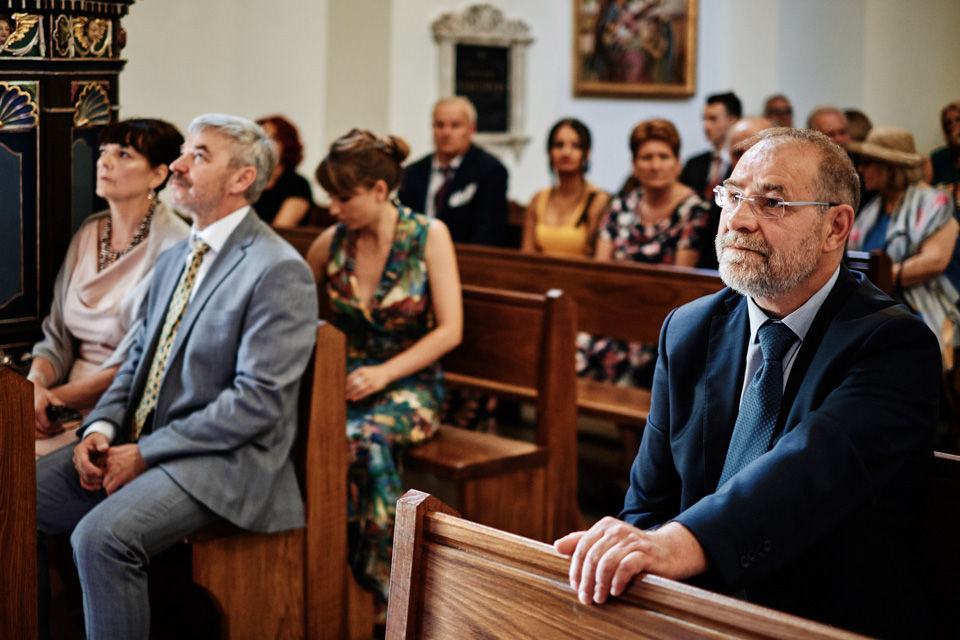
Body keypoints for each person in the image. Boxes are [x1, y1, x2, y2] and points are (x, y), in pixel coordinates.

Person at [554, 127, 940, 639]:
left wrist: (676, 544)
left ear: (836, 227)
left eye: (772, 203)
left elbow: (808, 470)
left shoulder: (893, 345)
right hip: (691, 613)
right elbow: (648, 502)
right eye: (732, 196)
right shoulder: (690, 329)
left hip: (819, 621)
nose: (738, 219)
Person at [35, 113, 318, 640]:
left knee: (101, 538)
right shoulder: (176, 259)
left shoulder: (276, 268)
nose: (180, 165)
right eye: (184, 152)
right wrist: (100, 429)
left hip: (223, 461)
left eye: (199, 155)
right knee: (14, 496)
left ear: (241, 179)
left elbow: (256, 403)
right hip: (147, 442)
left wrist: (145, 452)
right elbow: (136, 364)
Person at [306, 129, 462, 622]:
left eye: (343, 197)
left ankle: (384, 585)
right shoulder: (330, 243)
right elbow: (298, 316)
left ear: (379, 190)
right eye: (330, 196)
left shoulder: (428, 236)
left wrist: (383, 373)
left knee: (365, 439)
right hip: (345, 379)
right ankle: (319, 565)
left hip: (410, 381)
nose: (333, 208)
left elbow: (451, 329)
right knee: (307, 431)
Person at [29, 118, 189, 459]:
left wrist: (53, 401)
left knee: (16, 458)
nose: (105, 162)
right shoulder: (89, 231)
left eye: (124, 154)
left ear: (158, 175)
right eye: (103, 152)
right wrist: (34, 386)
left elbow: (141, 362)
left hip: (119, 410)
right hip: (57, 401)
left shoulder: (177, 246)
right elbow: (56, 335)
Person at [578, 119, 709, 387]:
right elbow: (600, 271)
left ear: (677, 163)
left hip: (660, 321)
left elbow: (680, 281)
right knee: (572, 351)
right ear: (634, 164)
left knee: (627, 369)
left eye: (664, 156)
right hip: (613, 312)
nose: (655, 165)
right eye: (646, 157)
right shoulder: (621, 206)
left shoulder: (694, 210)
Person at [847, 126, 959, 358]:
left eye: (868, 162)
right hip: (875, 314)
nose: (860, 169)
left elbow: (934, 261)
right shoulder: (870, 211)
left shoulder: (934, 201)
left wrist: (876, 278)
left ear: (890, 168)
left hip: (920, 313)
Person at [398, 96, 509, 246]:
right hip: (415, 253)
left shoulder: (490, 171)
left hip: (465, 255)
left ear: (472, 129)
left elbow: (488, 232)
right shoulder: (412, 172)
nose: (446, 132)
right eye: (440, 125)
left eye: (455, 125)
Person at [521, 118, 610, 257]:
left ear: (587, 153)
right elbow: (526, 255)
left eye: (576, 146)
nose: (566, 152)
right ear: (549, 152)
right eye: (559, 145)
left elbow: (597, 258)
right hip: (539, 270)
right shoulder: (537, 199)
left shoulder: (597, 200)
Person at [254, 114, 315, 227]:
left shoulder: (298, 185)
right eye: (259, 138)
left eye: (273, 138)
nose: (264, 145)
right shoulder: (248, 181)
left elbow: (281, 228)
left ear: (287, 144)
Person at [680, 92, 742, 201]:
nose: (706, 126)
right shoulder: (693, 164)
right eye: (704, 119)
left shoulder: (743, 164)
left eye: (713, 119)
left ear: (733, 120)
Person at [927, 101, 960, 187]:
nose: (954, 125)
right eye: (948, 123)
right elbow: (925, 189)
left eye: (958, 120)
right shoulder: (936, 157)